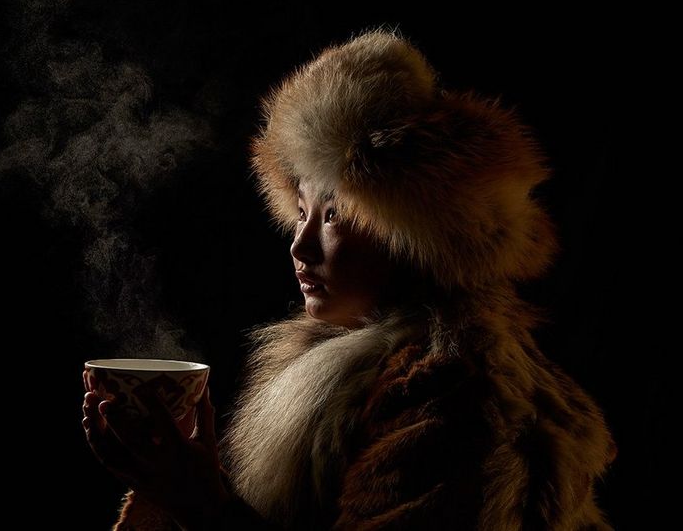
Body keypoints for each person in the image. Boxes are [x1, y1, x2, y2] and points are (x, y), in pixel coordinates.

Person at [82, 28, 617, 530]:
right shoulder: (354, 370)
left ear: (413, 236)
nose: (300, 244)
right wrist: (163, 482)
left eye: (334, 215)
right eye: (300, 211)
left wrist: (201, 505)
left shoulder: (456, 397)